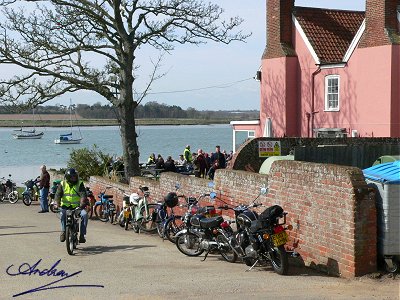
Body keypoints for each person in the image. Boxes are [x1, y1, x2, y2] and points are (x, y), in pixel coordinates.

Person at [55, 168, 88, 243]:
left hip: (77, 207)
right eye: (72, 177)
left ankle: (82, 235)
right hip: (65, 207)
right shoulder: (62, 184)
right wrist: (57, 204)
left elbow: (83, 194)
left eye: (75, 177)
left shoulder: (80, 184)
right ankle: (63, 231)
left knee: (85, 215)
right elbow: (57, 195)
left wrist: (82, 203)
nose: (74, 178)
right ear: (68, 177)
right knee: (62, 214)